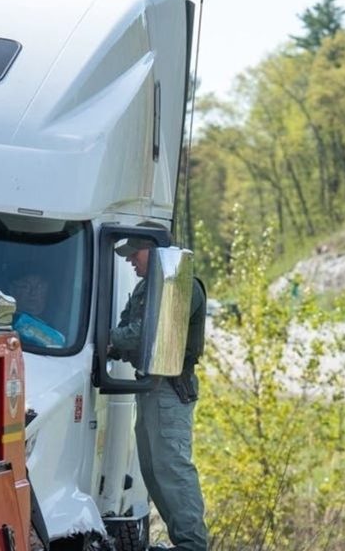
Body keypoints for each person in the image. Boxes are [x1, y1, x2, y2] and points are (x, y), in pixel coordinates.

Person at [107, 227, 208, 551]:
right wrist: (115, 341)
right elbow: (127, 331)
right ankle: (184, 543)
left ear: (153, 252)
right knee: (152, 470)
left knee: (172, 468)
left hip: (169, 389)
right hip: (150, 387)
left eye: (135, 255)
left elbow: (146, 331)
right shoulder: (144, 290)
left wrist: (111, 340)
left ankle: (191, 544)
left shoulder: (182, 287)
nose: (131, 263)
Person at [8, 272, 66, 348]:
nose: (33, 293)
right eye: (25, 286)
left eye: (40, 286)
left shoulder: (59, 324)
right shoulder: (8, 324)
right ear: (12, 289)